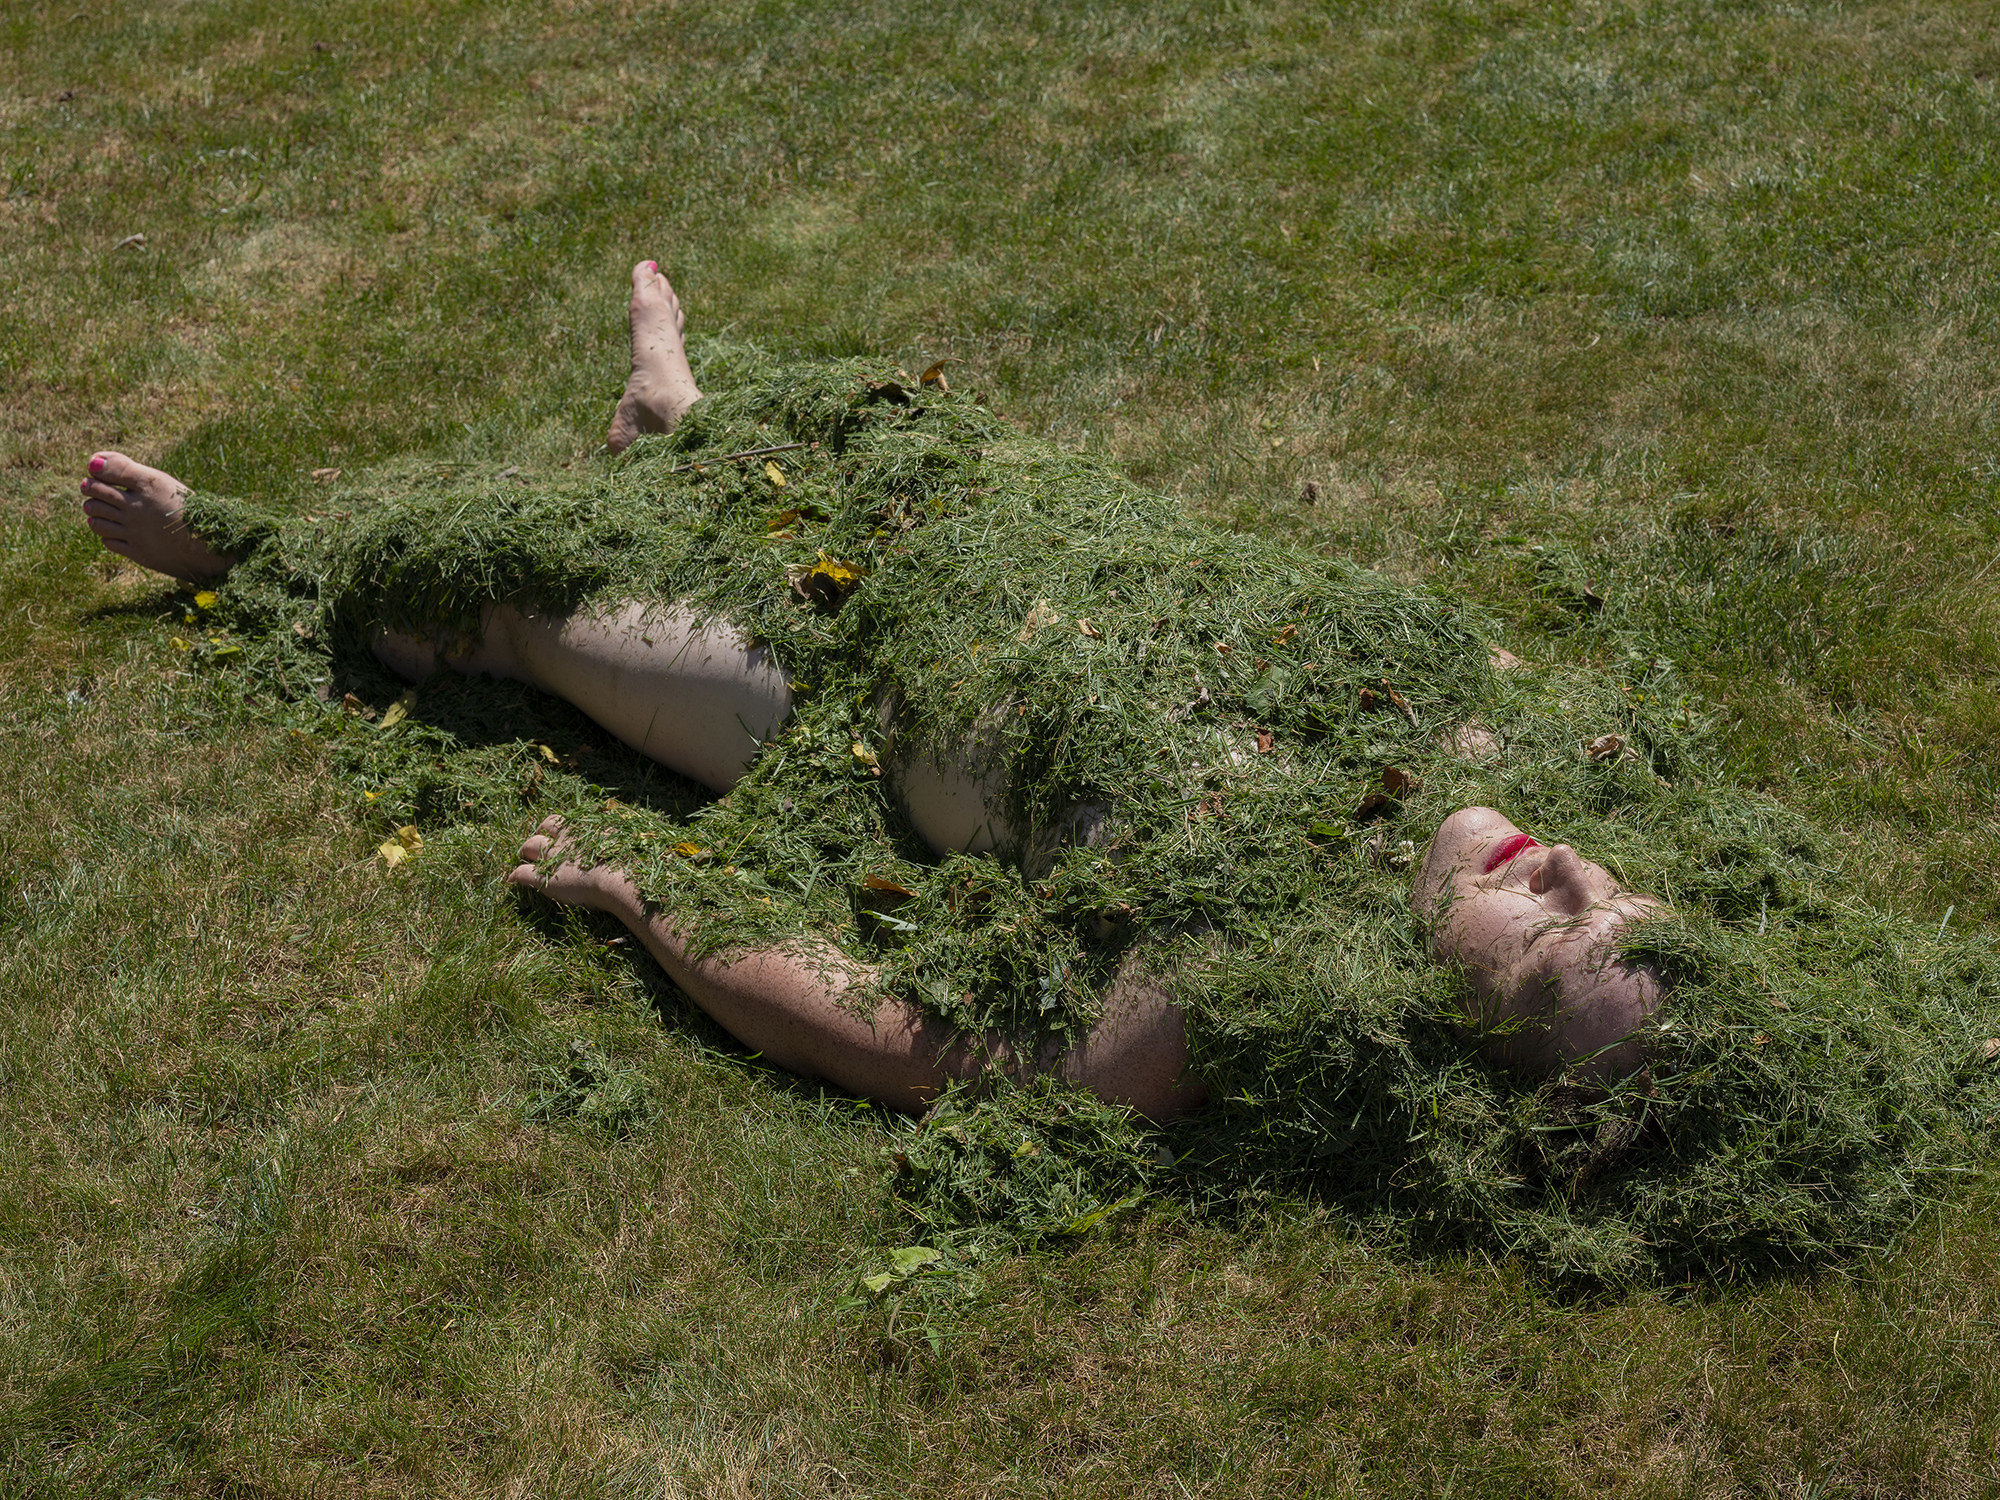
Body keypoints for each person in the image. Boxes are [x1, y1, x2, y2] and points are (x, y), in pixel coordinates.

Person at [77, 261, 1667, 1123]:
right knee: (877, 430)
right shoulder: (1505, 732)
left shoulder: (1214, 982)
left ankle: (256, 555)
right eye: (1623, 907)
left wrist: (648, 900)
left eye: (1546, 956)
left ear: (1446, 1021)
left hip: (830, 691)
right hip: (1009, 534)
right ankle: (685, 425)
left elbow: (903, 1037)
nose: (1571, 872)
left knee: (512, 603)